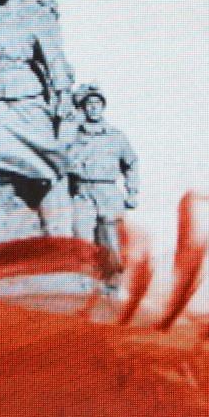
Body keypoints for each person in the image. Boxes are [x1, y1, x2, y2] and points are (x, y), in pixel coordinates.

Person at [0, 0, 72, 232]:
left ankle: (57, 226)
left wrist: (63, 94)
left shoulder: (35, 14)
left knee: (46, 161)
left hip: (26, 94)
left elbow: (54, 57)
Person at [62, 86, 140, 282]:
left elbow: (131, 163)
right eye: (89, 104)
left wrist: (132, 192)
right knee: (81, 237)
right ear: (83, 108)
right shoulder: (73, 136)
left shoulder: (116, 136)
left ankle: (113, 285)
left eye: (97, 103)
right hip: (82, 192)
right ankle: (84, 284)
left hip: (108, 192)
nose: (93, 107)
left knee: (111, 240)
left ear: (103, 106)